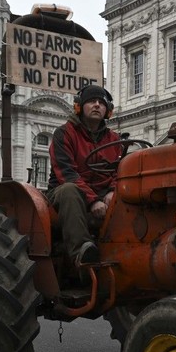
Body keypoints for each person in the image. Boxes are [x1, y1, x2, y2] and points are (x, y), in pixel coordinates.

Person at [47, 84, 120, 268]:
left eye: (101, 103)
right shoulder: (64, 133)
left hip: (103, 192)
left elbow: (120, 170)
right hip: (66, 192)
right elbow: (67, 173)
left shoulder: (114, 139)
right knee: (69, 190)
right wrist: (93, 200)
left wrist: (113, 190)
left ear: (108, 110)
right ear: (79, 107)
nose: (97, 105)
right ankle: (82, 253)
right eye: (91, 101)